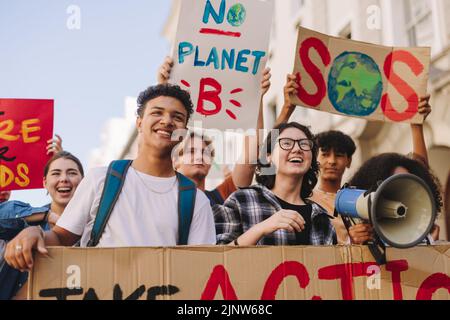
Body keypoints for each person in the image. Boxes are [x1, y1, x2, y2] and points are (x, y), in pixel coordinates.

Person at [5, 84, 216, 274]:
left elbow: (199, 269)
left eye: (177, 117)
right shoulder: (100, 179)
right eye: (157, 112)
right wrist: (34, 233)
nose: (167, 121)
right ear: (139, 123)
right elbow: (61, 238)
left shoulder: (197, 200)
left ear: (184, 132)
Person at [159, 57, 272, 205]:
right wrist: (164, 89)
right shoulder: (161, 196)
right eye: (191, 151)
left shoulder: (222, 196)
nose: (199, 156)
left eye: (205, 153)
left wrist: (256, 99)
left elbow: (249, 159)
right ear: (175, 160)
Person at [215, 122, 336, 246]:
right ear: (268, 157)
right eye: (286, 143)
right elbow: (218, 258)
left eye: (304, 144)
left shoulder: (322, 219)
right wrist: (260, 229)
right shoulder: (241, 201)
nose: (297, 149)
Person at [1, 148, 83, 300]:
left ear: (83, 182)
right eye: (56, 173)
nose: (64, 179)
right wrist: (45, 216)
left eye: (71, 173)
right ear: (45, 182)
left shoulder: (94, 224)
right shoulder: (29, 219)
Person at [347, 153, 443, 244]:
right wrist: (354, 247)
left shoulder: (425, 237)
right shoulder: (363, 239)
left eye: (408, 184)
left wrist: (431, 248)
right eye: (395, 184)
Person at [310, 131, 356, 244]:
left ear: (349, 161)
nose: (332, 161)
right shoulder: (305, 198)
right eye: (325, 154)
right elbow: (267, 161)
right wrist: (284, 116)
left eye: (339, 155)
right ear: (315, 159)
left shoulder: (358, 199)